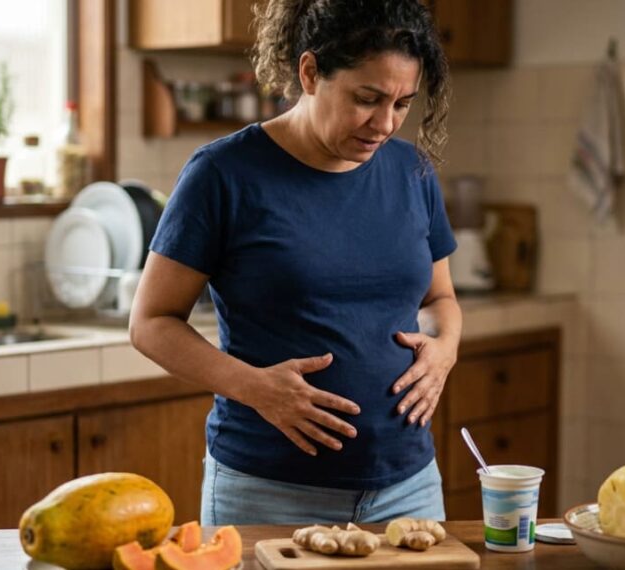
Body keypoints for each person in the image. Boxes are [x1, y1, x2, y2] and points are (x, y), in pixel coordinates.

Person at [129, 0, 460, 525]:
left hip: (409, 490)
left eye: (402, 104)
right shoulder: (223, 174)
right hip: (267, 493)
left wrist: (445, 348)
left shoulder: (412, 171)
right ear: (310, 73)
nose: (385, 124)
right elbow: (150, 323)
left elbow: (439, 298)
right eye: (367, 98)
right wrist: (254, 387)